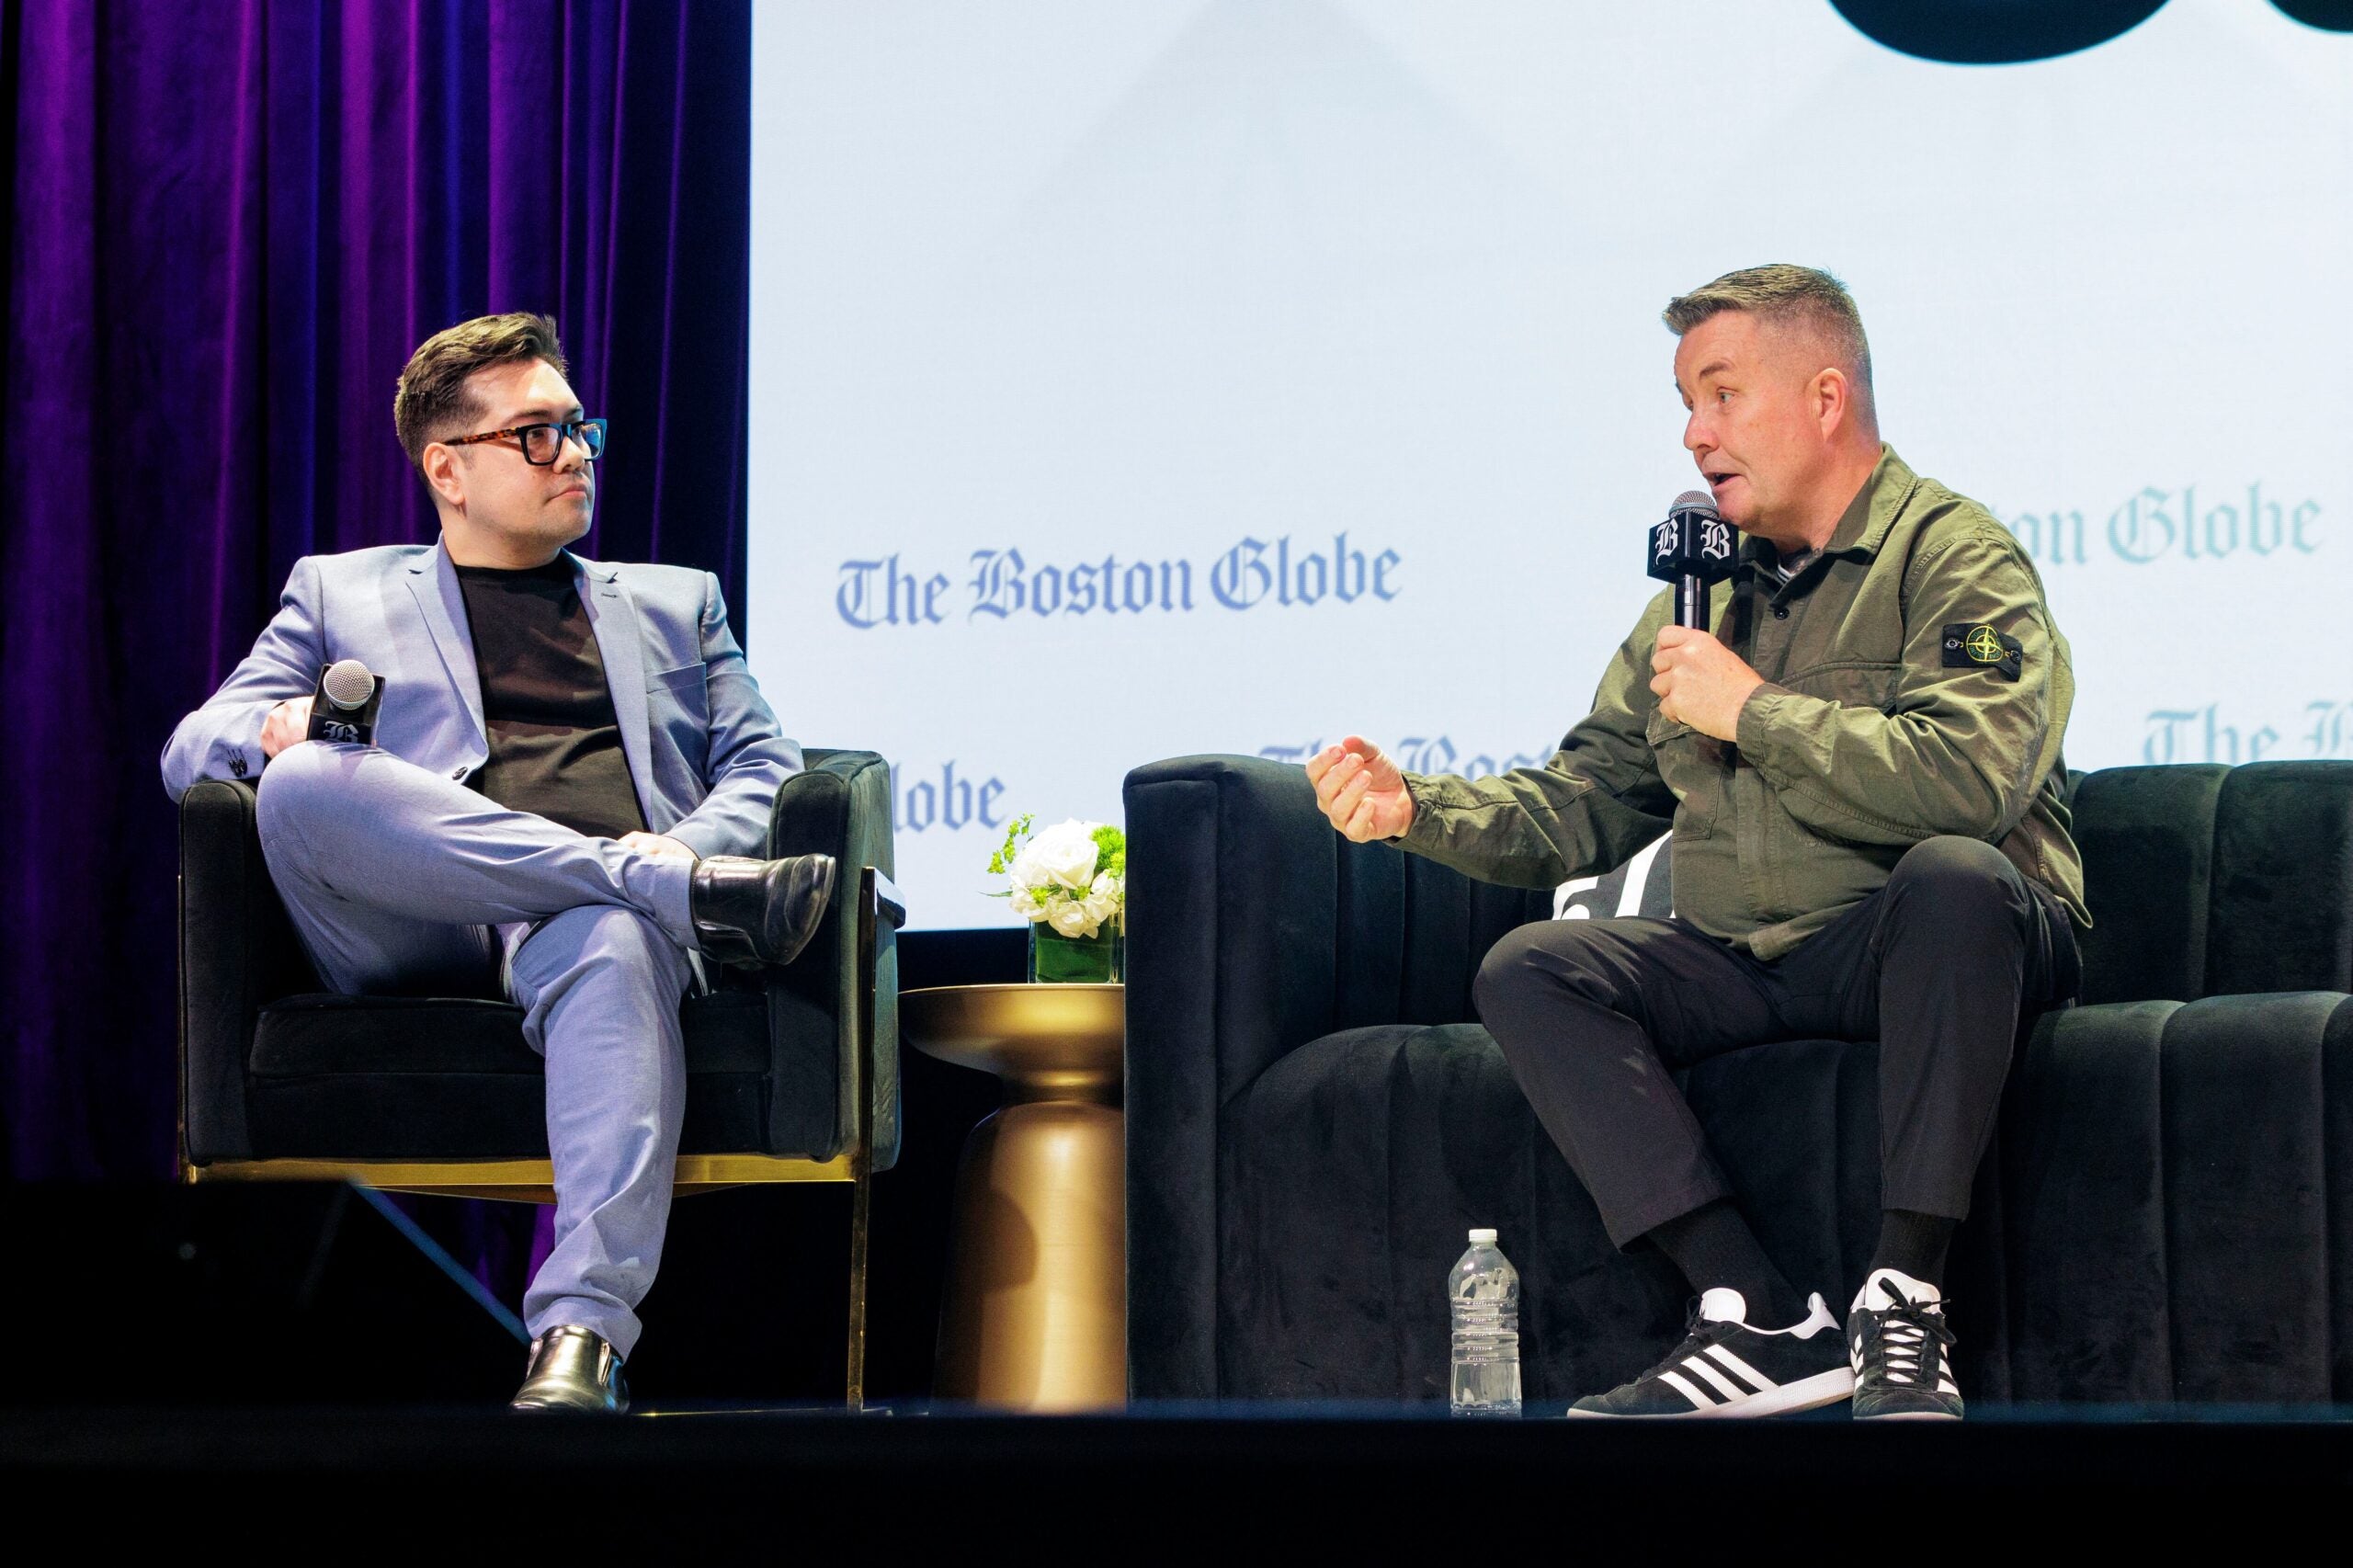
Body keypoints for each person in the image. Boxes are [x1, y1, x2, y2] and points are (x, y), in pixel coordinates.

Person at [1306, 266, 2083, 1420]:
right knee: (1535, 966)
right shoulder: (1696, 595)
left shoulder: (1954, 555)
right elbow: (1589, 797)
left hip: (1938, 937)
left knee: (1956, 879)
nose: (1692, 433)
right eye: (1684, 400)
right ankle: (1754, 1311)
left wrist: (1751, 709)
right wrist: (1417, 808)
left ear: (1825, 398)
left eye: (1721, 395)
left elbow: (1970, 783)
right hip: (1759, 952)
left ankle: (1906, 1296)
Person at [163, 312, 835, 1415]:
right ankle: (658, 889)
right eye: (537, 434)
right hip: (412, 923)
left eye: (581, 429)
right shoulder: (340, 593)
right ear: (449, 467)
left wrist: (684, 844)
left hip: (584, 929)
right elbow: (190, 748)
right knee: (305, 782)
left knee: (612, 930)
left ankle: (579, 1335)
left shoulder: (676, 600)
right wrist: (281, 722)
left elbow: (770, 762)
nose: (574, 454)